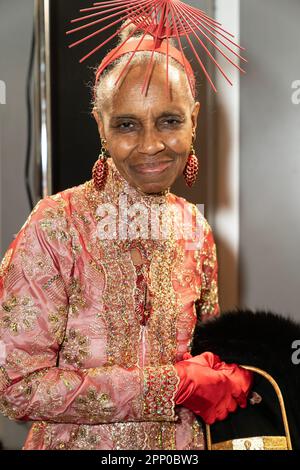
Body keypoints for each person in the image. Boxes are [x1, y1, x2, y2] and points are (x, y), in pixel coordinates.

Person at [0, 19, 253, 450]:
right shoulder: (55, 226)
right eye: (127, 125)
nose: (151, 145)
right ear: (101, 126)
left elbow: (203, 359)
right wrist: (167, 387)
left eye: (169, 120)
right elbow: (17, 386)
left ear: (193, 121)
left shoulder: (197, 230)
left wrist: (226, 377)